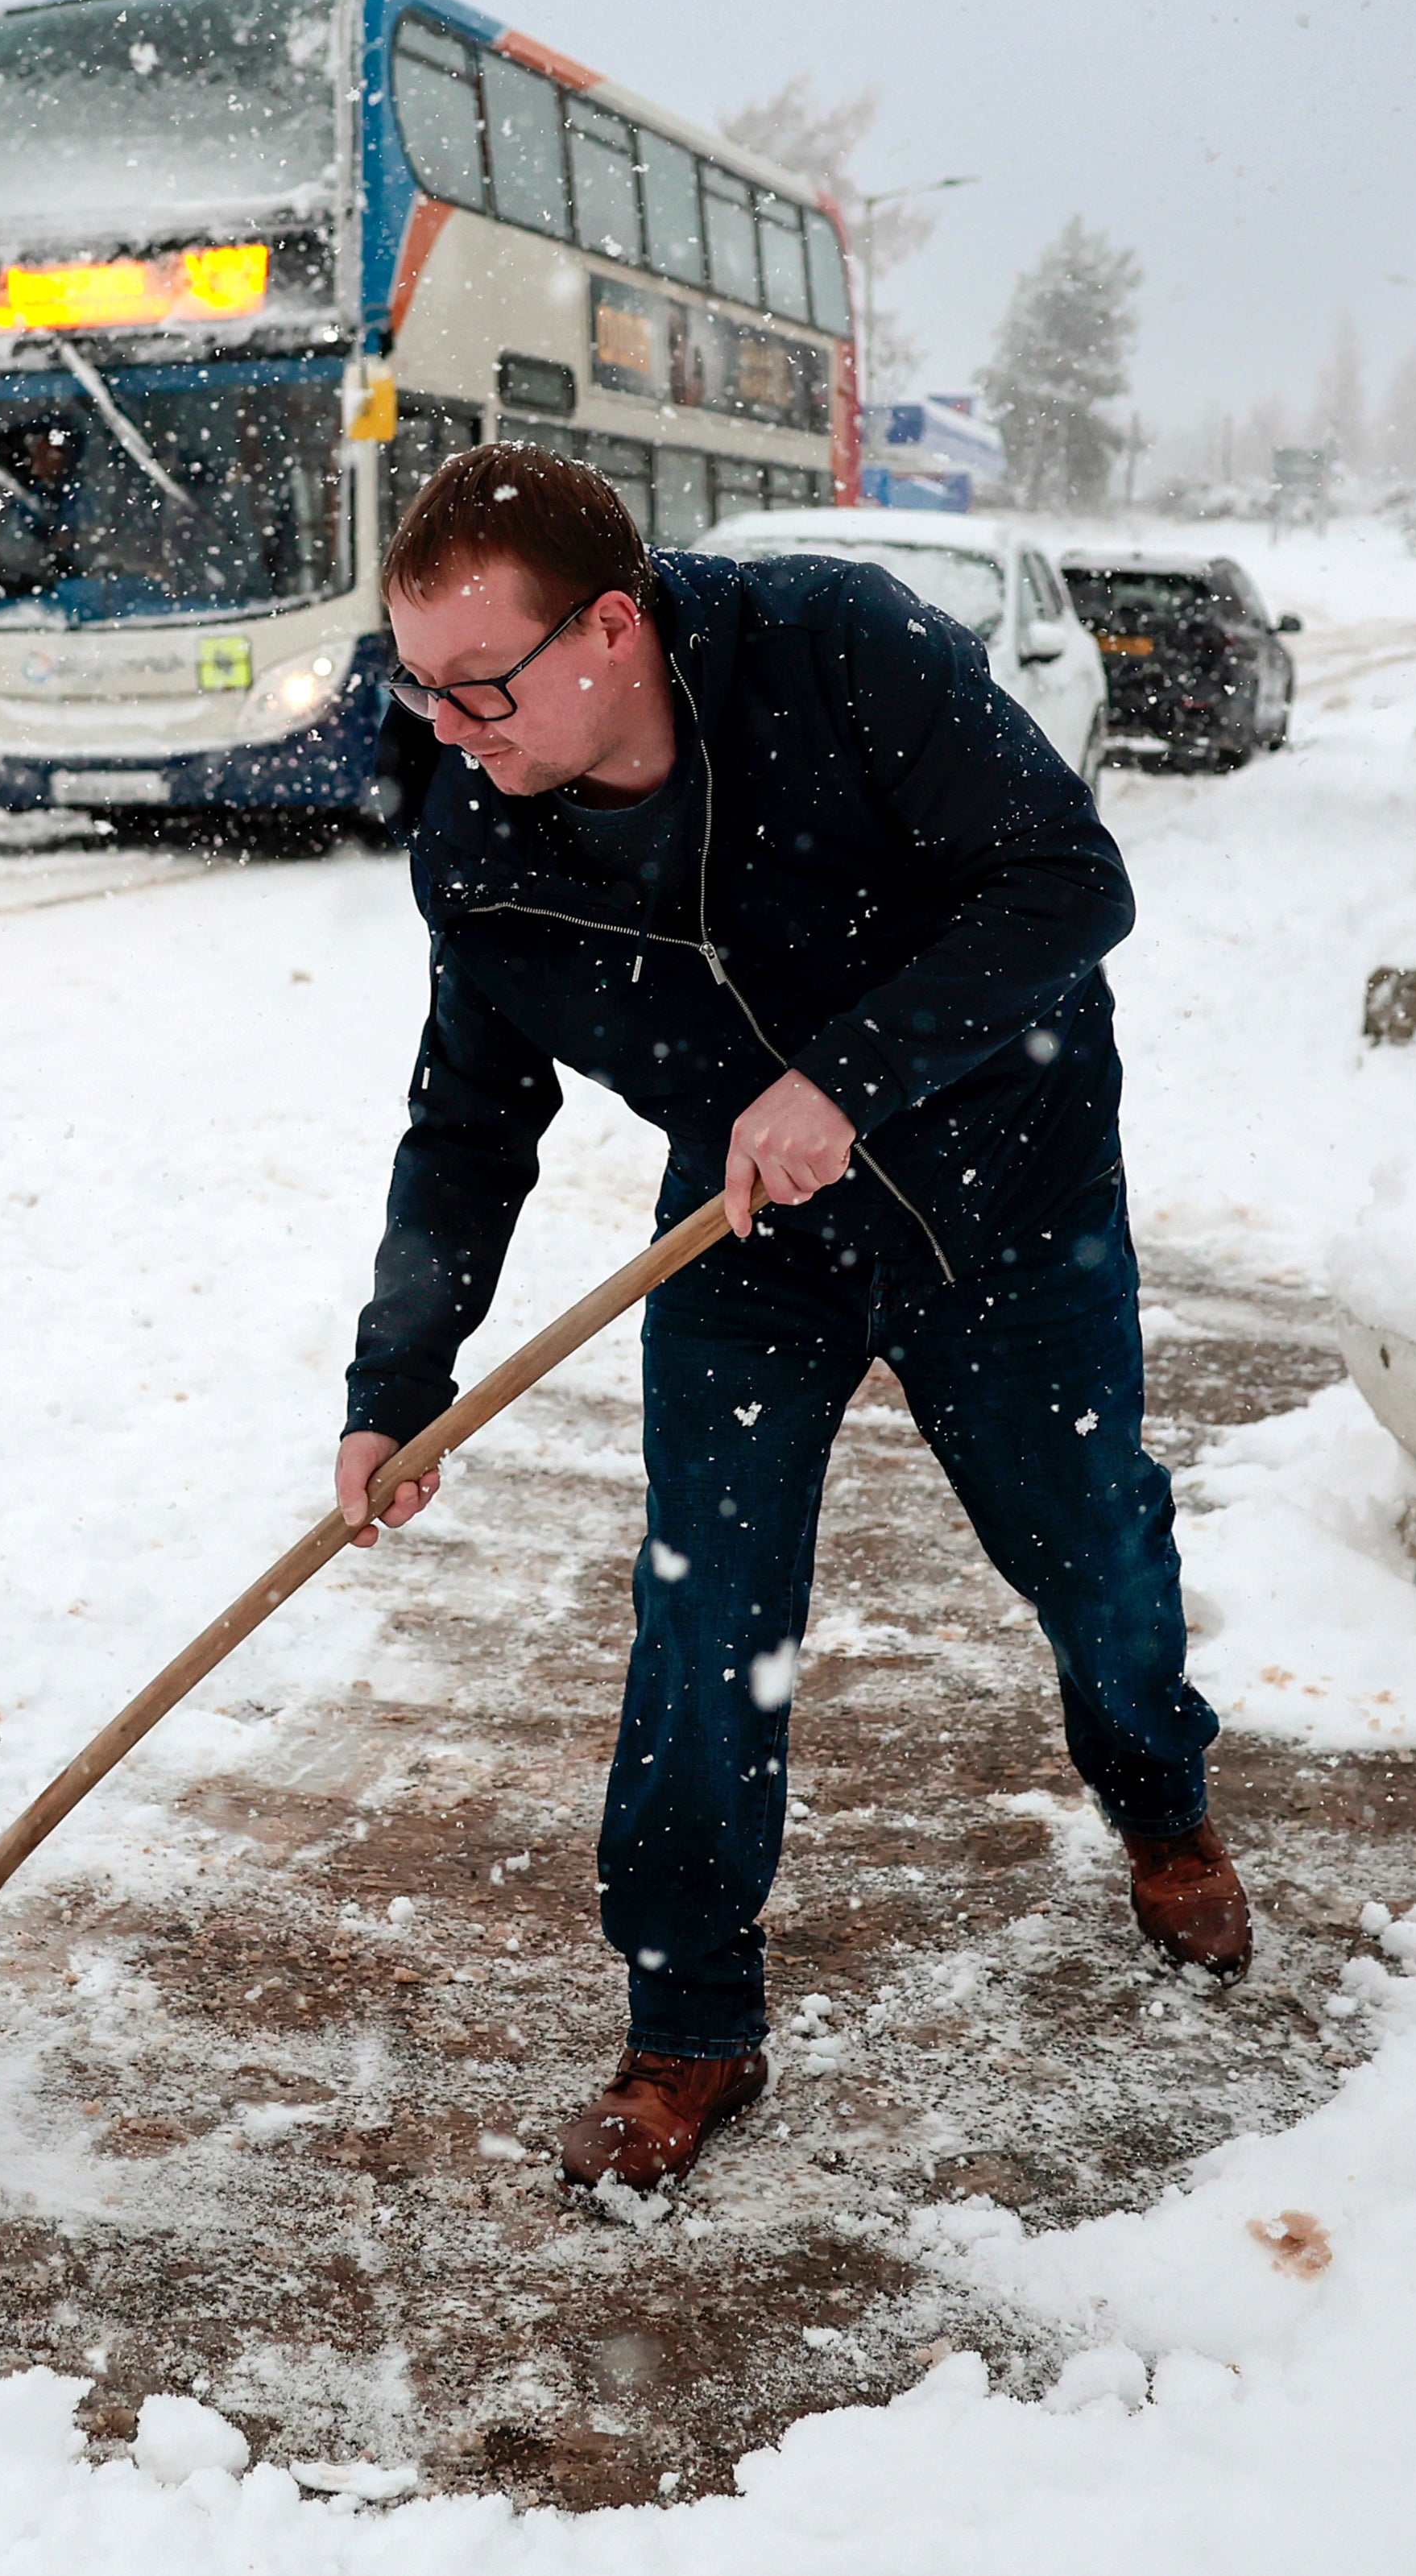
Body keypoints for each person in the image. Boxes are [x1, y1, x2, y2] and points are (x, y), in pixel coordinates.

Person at [337, 443, 1244, 2195]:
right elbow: (467, 1126)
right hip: (747, 1234)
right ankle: (687, 2020)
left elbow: (1067, 885)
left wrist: (850, 1075)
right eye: (417, 684)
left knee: (1086, 1550)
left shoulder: (836, 653)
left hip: (1003, 1190)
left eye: (479, 684)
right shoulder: (482, 839)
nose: (447, 724)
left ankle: (1158, 1798)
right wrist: (397, 1385)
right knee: (703, 1601)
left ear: (610, 626)